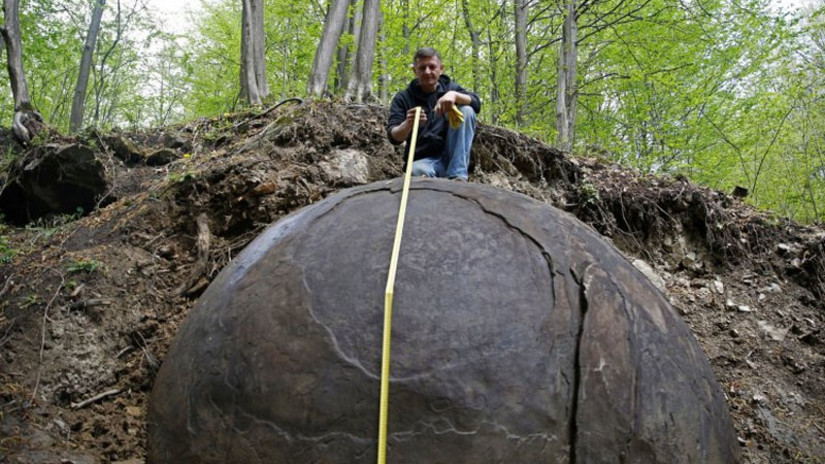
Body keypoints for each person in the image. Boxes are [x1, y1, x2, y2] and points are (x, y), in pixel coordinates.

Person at [386, 47, 481, 181]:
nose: (427, 72)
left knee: (466, 110)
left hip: (453, 158)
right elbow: (394, 137)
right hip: (423, 162)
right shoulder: (403, 98)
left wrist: (454, 95)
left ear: (441, 69)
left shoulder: (450, 88)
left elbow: (476, 104)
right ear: (415, 71)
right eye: (422, 68)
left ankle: (457, 177)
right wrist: (408, 124)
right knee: (416, 171)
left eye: (432, 67)